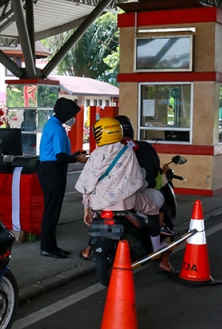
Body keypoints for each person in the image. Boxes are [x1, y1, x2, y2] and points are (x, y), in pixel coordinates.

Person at [74, 117, 163, 244]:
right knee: (153, 209)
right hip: (126, 202)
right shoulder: (128, 151)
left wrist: (86, 208)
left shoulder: (96, 154)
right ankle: (156, 248)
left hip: (100, 203)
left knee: (97, 218)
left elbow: (87, 184)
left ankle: (90, 247)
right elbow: (137, 178)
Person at [116, 115, 176, 275]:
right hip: (136, 194)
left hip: (108, 197)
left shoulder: (107, 150)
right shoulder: (143, 148)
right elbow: (151, 177)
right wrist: (163, 174)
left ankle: (88, 248)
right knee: (157, 205)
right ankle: (158, 249)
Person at [37, 98, 88, 259]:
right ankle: (47, 247)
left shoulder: (52, 124)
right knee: (52, 211)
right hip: (53, 171)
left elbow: (58, 154)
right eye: (72, 114)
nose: (73, 117)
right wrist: (78, 160)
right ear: (66, 112)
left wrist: (74, 155)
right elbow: (59, 157)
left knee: (51, 209)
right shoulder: (58, 129)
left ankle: (51, 246)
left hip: (49, 169)